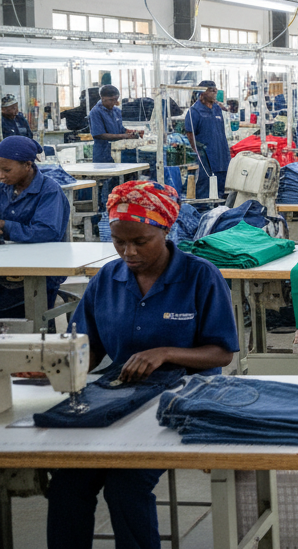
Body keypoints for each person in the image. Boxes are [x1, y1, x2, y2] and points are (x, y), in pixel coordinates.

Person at [48, 180, 237, 549]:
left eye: (140, 241)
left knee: (125, 484)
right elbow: (87, 349)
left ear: (165, 231)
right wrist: (55, 365)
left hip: (185, 399)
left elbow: (221, 353)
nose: (128, 251)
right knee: (68, 481)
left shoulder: (200, 276)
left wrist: (166, 353)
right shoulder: (107, 279)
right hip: (119, 396)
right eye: (119, 241)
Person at [0, 137, 70, 321]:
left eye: (6, 170)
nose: (1, 174)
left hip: (42, 272)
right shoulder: (3, 188)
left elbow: (46, 232)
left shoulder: (49, 191)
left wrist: (4, 226)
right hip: (10, 266)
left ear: (27, 165)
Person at [185, 80, 230, 200]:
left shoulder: (217, 109)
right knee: (205, 188)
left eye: (215, 89)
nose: (215, 91)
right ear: (202, 93)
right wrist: (198, 153)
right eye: (211, 89)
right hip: (206, 156)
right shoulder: (194, 111)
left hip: (221, 154)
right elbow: (190, 133)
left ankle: (220, 212)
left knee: (222, 187)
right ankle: (203, 212)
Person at [89, 85, 142, 164]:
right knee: (106, 175)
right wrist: (125, 136)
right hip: (103, 153)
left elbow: (120, 130)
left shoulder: (116, 111)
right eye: (111, 100)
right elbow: (100, 134)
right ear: (102, 98)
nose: (114, 102)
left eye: (116, 100)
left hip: (118, 151)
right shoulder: (95, 112)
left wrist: (133, 132)